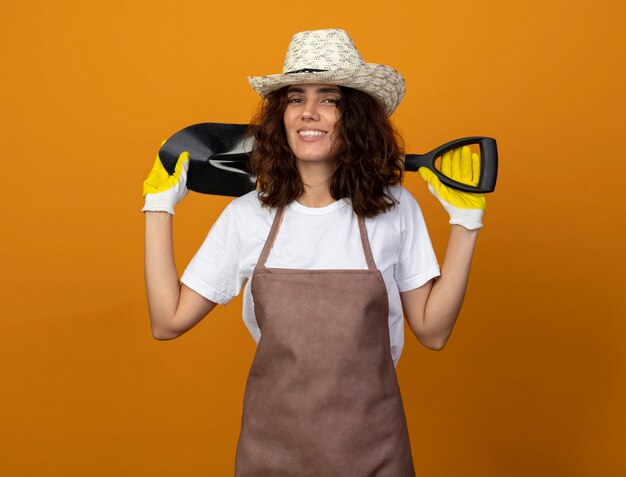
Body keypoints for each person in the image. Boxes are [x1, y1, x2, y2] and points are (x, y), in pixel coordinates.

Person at [142, 29, 486, 477]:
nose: (309, 112)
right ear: (279, 116)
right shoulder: (249, 216)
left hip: (374, 453)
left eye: (330, 99)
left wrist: (466, 224)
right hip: (271, 457)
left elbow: (433, 331)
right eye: (295, 98)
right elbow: (167, 320)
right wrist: (157, 207)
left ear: (354, 117)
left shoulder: (395, 208)